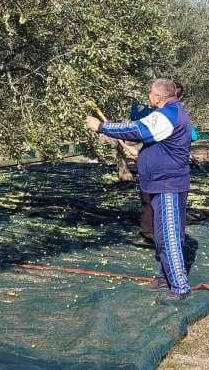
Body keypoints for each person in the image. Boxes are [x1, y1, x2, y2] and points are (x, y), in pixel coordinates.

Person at [85, 79, 192, 301]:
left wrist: (102, 127)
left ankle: (180, 287)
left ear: (158, 98)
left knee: (169, 235)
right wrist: (141, 154)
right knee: (163, 233)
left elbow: (135, 129)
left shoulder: (167, 114)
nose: (148, 97)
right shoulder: (171, 113)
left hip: (167, 184)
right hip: (160, 182)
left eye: (150, 93)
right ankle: (166, 275)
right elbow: (160, 143)